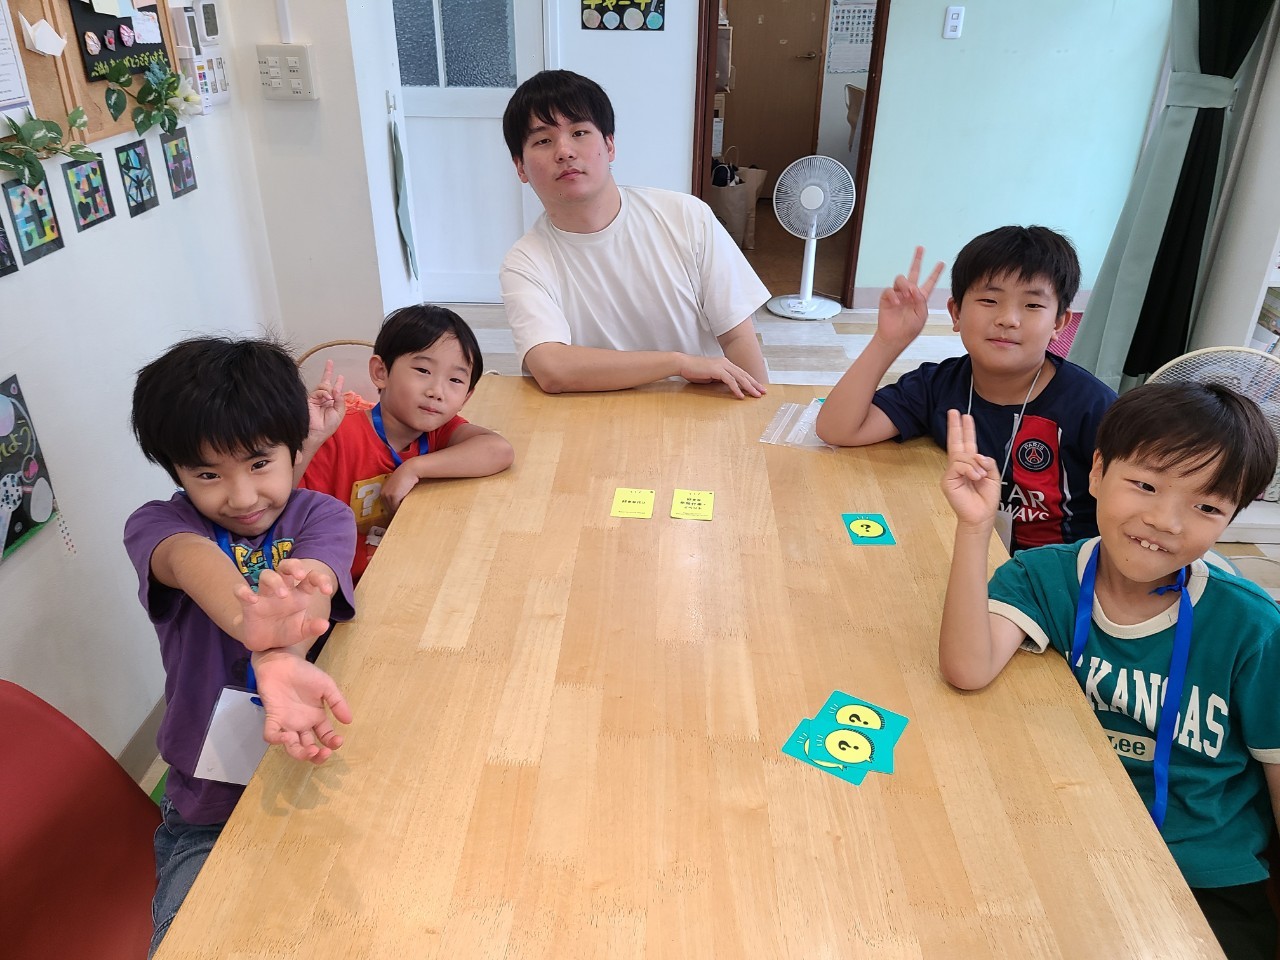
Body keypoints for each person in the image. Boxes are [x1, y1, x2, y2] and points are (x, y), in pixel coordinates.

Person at [939, 383, 1280, 960]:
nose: (1165, 521)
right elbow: (968, 668)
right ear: (1097, 471)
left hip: (1204, 874)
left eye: (1207, 507)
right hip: (1069, 841)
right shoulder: (1044, 576)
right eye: (1145, 485)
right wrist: (974, 529)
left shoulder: (1252, 627)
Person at [126, 337, 358, 957]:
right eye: (207, 474)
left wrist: (280, 652)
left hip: (309, 767)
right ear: (176, 472)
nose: (242, 496)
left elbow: (315, 588)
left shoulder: (325, 516)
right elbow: (189, 560)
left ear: (294, 449)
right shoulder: (159, 524)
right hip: (206, 802)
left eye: (259, 463)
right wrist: (247, 620)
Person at [816, 227, 1116, 551]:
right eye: (989, 300)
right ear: (956, 312)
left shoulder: (1094, 407)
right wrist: (888, 342)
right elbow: (838, 429)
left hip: (1056, 574)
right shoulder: (938, 385)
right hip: (961, 551)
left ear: (1058, 323)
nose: (1008, 319)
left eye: (1032, 305)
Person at [499, 69, 770, 398]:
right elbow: (552, 368)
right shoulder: (525, 262)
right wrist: (678, 363)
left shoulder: (686, 217)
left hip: (700, 409)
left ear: (609, 145)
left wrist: (760, 415)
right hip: (594, 414)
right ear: (520, 167)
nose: (564, 151)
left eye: (580, 132)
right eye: (543, 140)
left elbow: (737, 336)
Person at [298, 304, 514, 581]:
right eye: (423, 370)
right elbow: (284, 505)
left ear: (467, 397)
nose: (437, 391)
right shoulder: (339, 436)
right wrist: (311, 440)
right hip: (340, 585)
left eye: (455, 380)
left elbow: (499, 450)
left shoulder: (440, 432)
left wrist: (414, 468)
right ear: (381, 372)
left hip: (406, 572)